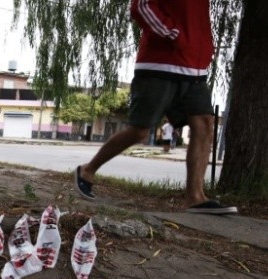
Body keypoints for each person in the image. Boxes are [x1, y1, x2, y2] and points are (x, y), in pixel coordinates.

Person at [74, 0, 236, 215]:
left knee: (205, 123)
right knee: (139, 130)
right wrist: (173, 34)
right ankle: (87, 170)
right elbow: (141, 6)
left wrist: (202, 47)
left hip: (195, 68)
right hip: (160, 65)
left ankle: (195, 197)